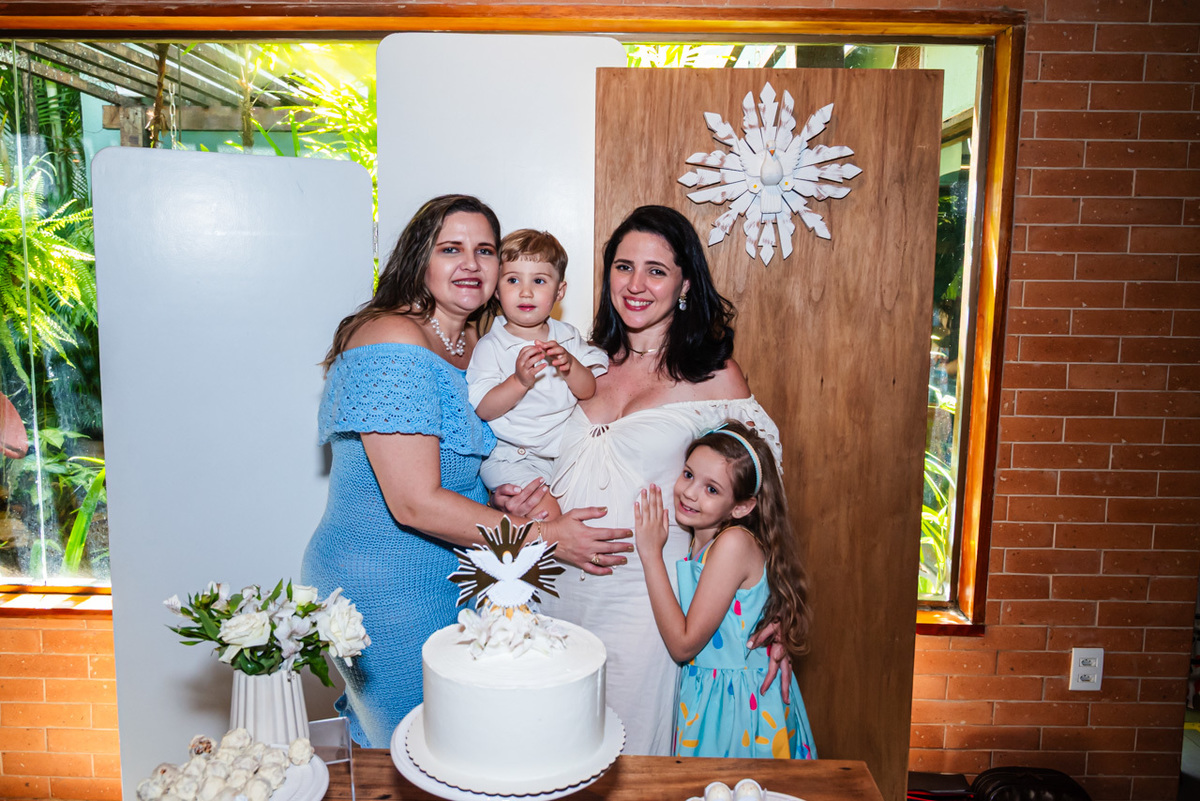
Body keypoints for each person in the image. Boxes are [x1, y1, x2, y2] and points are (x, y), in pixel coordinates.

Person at [300, 195, 631, 748]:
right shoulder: (391, 338)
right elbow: (415, 502)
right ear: (418, 259)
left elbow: (464, 462)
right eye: (451, 249)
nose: (471, 264)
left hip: (459, 569)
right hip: (383, 579)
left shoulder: (480, 346)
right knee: (421, 745)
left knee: (470, 745)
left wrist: (507, 498)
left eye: (484, 250)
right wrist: (548, 536)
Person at [499, 205, 784, 756]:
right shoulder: (583, 363)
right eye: (623, 266)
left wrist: (767, 611)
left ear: (684, 283)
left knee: (629, 764)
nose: (635, 284)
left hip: (644, 612)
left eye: (656, 270)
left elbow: (763, 492)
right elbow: (525, 446)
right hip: (551, 595)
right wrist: (516, 494)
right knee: (548, 757)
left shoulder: (713, 378)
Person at [634, 421, 816, 759]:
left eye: (712, 489)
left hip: (739, 709)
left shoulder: (732, 543)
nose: (690, 492)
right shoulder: (699, 544)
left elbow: (683, 644)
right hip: (710, 700)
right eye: (688, 475)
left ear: (742, 507)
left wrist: (650, 554)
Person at [466, 229, 609, 520]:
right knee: (548, 516)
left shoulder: (567, 337)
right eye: (513, 280)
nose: (526, 292)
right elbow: (483, 407)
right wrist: (518, 383)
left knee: (591, 503)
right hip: (511, 456)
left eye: (539, 281)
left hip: (560, 457)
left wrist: (571, 367)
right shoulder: (491, 345)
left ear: (559, 292)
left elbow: (588, 390)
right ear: (496, 289)